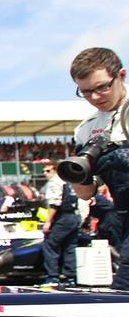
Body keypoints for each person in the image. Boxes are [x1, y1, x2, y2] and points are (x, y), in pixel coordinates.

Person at [65, 47, 129, 288]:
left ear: (121, 75)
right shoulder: (86, 129)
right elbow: (85, 194)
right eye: (85, 91)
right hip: (122, 217)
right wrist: (79, 174)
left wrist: (121, 157)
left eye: (102, 87)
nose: (94, 97)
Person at [41, 159, 80, 284]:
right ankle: (70, 277)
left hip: (62, 217)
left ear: (55, 170)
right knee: (70, 246)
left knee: (50, 245)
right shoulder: (69, 181)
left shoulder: (55, 182)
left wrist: (48, 221)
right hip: (74, 216)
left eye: (48, 171)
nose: (45, 173)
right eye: (44, 171)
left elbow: (55, 203)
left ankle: (52, 276)